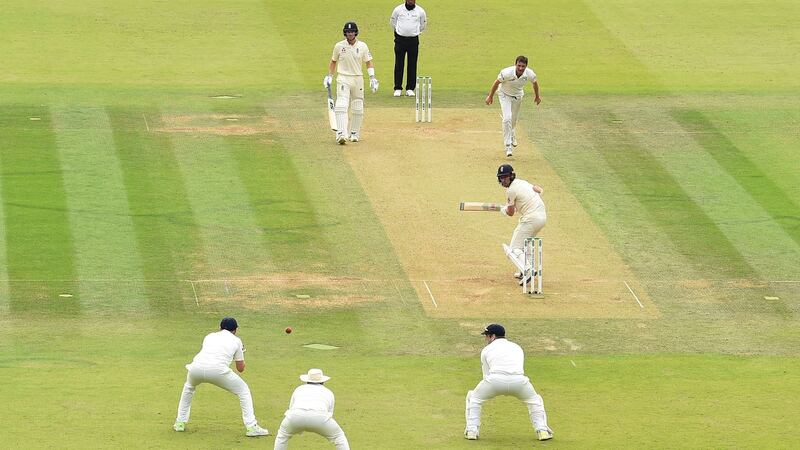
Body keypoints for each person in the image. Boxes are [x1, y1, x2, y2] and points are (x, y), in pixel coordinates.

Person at [173, 317, 269, 437]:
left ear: (220, 328)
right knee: (244, 391)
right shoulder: (237, 341)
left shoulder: (209, 336)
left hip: (196, 369)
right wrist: (241, 352)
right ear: (235, 330)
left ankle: (180, 423)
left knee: (189, 387)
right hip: (218, 371)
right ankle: (251, 427)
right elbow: (241, 368)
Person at [465, 324, 554, 441]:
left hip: (494, 381)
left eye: (487, 336)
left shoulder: (486, 350)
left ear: (493, 336)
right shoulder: (517, 347)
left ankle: (472, 431)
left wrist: (489, 389)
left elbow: (486, 375)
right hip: (519, 381)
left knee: (474, 398)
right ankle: (542, 431)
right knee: (535, 401)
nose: (485, 339)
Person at [324, 21, 379, 145]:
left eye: (352, 32)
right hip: (343, 78)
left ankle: (354, 133)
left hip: (358, 79)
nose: (350, 34)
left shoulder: (363, 46)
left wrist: (372, 78)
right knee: (341, 104)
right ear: (345, 33)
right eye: (348, 32)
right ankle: (341, 134)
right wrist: (329, 76)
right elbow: (333, 61)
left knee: (358, 106)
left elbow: (368, 61)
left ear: (355, 32)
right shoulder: (339, 46)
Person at [273, 368, 350, 450]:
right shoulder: (328, 392)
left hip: (296, 416)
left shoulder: (299, 389)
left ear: (307, 380)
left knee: (282, 436)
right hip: (320, 417)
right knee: (339, 437)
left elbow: (291, 408)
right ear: (323, 381)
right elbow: (330, 413)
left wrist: (299, 426)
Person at [496, 164, 546, 284]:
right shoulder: (522, 182)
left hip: (531, 219)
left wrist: (504, 210)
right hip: (542, 216)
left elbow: (510, 213)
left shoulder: (511, 191)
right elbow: (537, 189)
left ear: (511, 176)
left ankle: (528, 269)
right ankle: (523, 271)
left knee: (513, 249)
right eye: (501, 177)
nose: (503, 180)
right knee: (525, 244)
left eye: (505, 177)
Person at [485, 55, 542, 157]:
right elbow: (496, 83)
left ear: (526, 66)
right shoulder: (507, 72)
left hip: (518, 96)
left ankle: (512, 133)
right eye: (519, 65)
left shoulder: (530, 74)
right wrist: (490, 96)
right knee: (507, 118)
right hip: (504, 95)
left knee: (513, 119)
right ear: (515, 64)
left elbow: (535, 84)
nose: (520, 68)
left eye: (523, 66)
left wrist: (537, 96)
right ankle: (508, 146)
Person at [389, 0, 427, 97]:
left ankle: (410, 88)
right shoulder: (398, 9)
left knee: (412, 64)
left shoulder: (420, 11)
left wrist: (413, 32)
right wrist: (399, 32)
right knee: (399, 63)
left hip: (413, 40)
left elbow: (423, 26)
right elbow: (392, 23)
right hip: (400, 40)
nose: (410, 1)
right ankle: (397, 88)